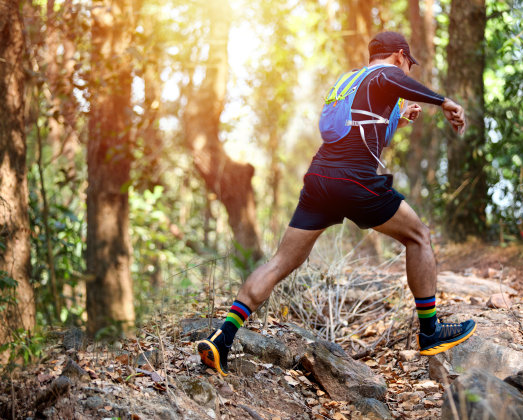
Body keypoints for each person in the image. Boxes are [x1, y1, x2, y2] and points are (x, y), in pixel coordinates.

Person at [198, 31, 476, 376]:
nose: (406, 69)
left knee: (282, 260)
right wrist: (444, 101)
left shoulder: (350, 81)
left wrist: (400, 119)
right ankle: (430, 331)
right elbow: (393, 79)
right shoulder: (385, 74)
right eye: (407, 62)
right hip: (353, 179)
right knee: (418, 235)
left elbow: (371, 138)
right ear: (400, 55)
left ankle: (222, 337)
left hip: (320, 179)